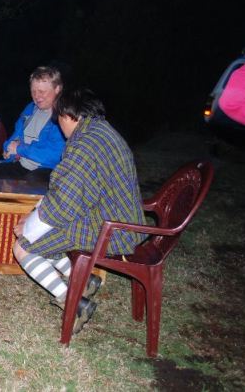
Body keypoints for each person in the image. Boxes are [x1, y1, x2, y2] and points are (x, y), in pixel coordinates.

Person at [13, 88, 147, 334]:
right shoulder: (102, 132)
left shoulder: (83, 145)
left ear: (67, 115)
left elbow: (62, 205)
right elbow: (66, 192)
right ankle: (84, 279)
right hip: (121, 219)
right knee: (44, 232)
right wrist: (35, 213)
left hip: (112, 229)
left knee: (25, 246)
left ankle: (74, 302)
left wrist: (29, 226)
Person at [0, 66, 65, 183]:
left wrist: (20, 149)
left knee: (31, 182)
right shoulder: (30, 109)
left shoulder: (64, 115)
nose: (37, 96)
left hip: (48, 169)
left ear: (57, 89)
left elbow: (55, 155)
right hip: (22, 165)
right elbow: (15, 137)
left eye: (42, 91)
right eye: (33, 91)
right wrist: (8, 149)